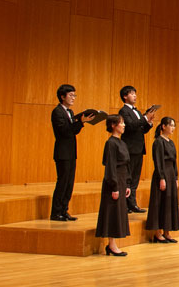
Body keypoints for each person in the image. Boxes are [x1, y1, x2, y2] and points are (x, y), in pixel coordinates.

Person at [50, 83, 96, 221]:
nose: (73, 98)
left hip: (71, 152)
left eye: (74, 95)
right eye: (70, 95)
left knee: (69, 183)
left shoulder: (69, 112)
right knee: (63, 182)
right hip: (62, 152)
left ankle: (64, 210)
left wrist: (82, 122)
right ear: (62, 96)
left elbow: (73, 131)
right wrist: (80, 122)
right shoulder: (57, 112)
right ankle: (56, 212)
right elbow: (64, 131)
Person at [117, 85, 155, 214]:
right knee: (127, 177)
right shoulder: (123, 111)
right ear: (125, 96)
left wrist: (148, 122)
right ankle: (125, 204)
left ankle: (132, 203)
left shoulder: (137, 112)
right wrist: (144, 118)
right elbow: (130, 126)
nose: (135, 96)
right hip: (129, 148)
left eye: (135, 93)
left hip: (139, 148)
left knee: (135, 177)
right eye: (132, 94)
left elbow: (141, 129)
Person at [96, 114, 131, 256]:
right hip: (114, 181)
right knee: (112, 212)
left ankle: (112, 244)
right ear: (113, 125)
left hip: (122, 180)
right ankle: (111, 244)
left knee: (118, 212)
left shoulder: (122, 143)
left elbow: (126, 164)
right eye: (121, 123)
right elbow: (110, 166)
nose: (124, 125)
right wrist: (114, 186)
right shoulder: (110, 143)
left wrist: (127, 183)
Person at [148, 117, 179, 243]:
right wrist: (161, 177)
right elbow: (158, 161)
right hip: (162, 174)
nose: (173, 128)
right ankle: (157, 232)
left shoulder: (171, 142)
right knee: (159, 202)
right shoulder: (158, 142)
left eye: (174, 125)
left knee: (169, 202)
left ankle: (167, 231)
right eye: (171, 125)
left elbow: (174, 161)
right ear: (163, 126)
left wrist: (176, 177)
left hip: (171, 174)